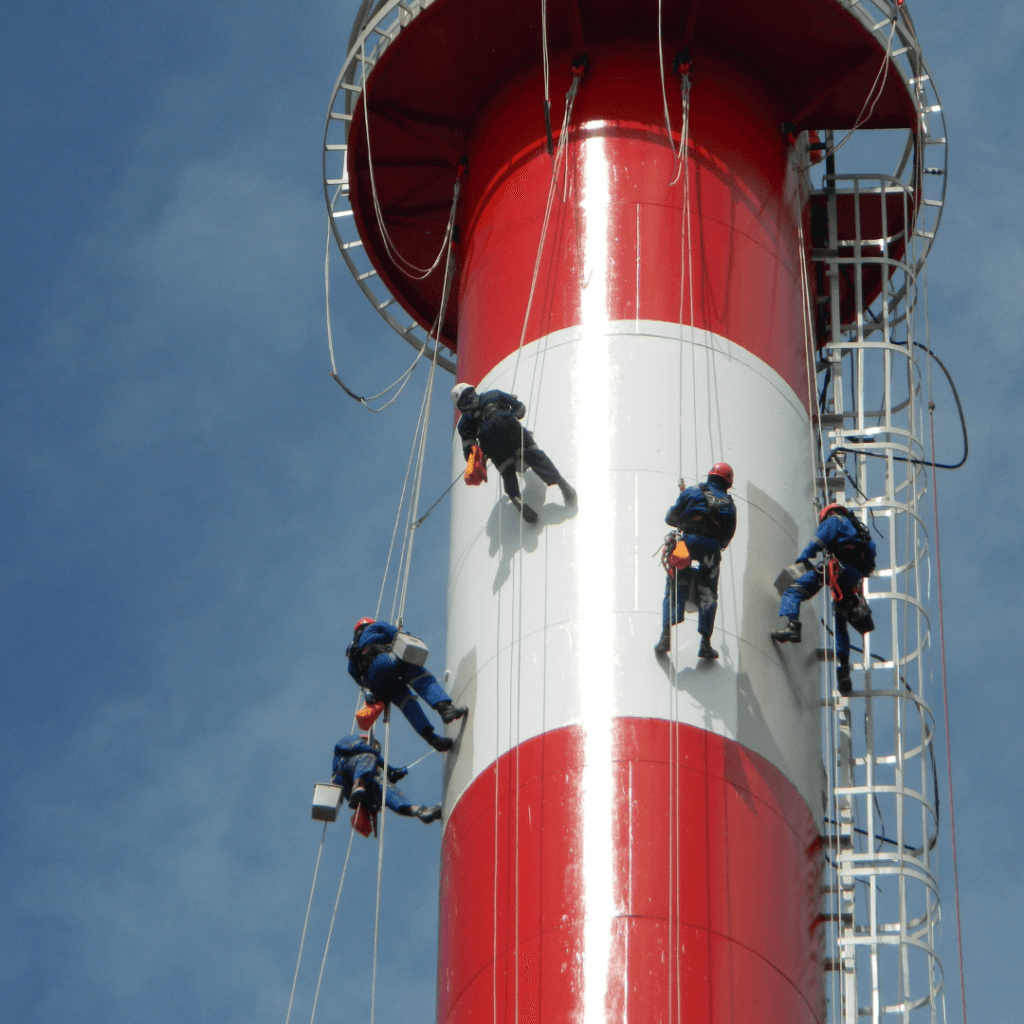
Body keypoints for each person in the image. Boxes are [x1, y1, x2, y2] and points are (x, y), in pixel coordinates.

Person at [771, 503, 877, 694]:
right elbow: (869, 565)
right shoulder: (863, 534)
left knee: (792, 592)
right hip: (852, 578)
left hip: (836, 568)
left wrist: (802, 561)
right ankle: (843, 671)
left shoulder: (834, 520)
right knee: (840, 622)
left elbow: (818, 543)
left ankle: (793, 626)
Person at [451, 383, 576, 524]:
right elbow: (520, 409)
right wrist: (515, 412)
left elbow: (469, 452)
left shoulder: (463, 423)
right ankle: (562, 484)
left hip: (490, 441)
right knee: (534, 455)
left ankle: (515, 498)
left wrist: (482, 457)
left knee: (507, 471)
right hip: (509, 426)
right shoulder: (493, 394)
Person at [347, 618, 467, 752]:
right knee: (418, 675)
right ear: (369, 624)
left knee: (406, 702)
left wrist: (371, 691)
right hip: (384, 661)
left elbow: (354, 674)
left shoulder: (352, 651)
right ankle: (445, 709)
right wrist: (403, 633)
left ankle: (432, 739)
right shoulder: (373, 628)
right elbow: (397, 635)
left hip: (377, 684)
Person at [655, 463, 736, 660]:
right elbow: (727, 535)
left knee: (674, 585)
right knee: (709, 591)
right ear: (728, 483)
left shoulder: (691, 491)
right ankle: (705, 644)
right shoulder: (729, 503)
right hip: (710, 547)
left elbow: (671, 517)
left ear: (709, 476)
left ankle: (665, 636)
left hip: (687, 542)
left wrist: (685, 521)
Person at [332, 733, 441, 823]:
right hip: (345, 775)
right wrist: (389, 769)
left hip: (364, 793)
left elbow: (375, 760)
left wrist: (392, 772)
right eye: (375, 746)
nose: (376, 749)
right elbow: (360, 747)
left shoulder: (370, 763)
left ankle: (417, 811)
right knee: (369, 756)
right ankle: (358, 784)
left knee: (384, 786)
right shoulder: (351, 740)